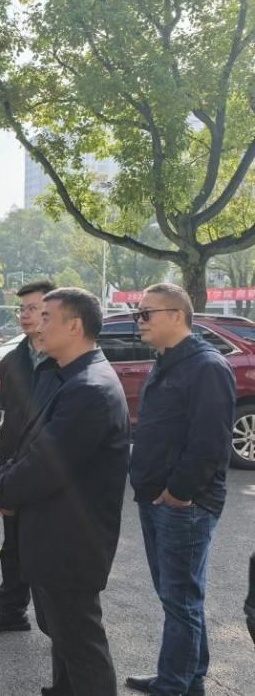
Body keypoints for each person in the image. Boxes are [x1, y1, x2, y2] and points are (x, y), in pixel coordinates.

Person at [0, 288, 129, 696]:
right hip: (56, 537)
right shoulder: (64, 374)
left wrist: (4, 491)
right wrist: (5, 479)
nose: (38, 324)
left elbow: (48, 464)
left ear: (75, 326)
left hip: (71, 543)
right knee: (64, 637)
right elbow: (30, 443)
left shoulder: (90, 387)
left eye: (47, 317)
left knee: (82, 646)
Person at [125, 283, 236, 696]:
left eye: (146, 314)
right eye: (138, 313)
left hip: (183, 503)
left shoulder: (206, 366)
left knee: (180, 599)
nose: (139, 321)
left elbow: (210, 441)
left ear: (176, 315)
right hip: (157, 497)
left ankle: (174, 684)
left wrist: (180, 492)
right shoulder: (169, 361)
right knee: (178, 597)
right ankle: (189, 677)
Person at [0, 280, 57, 635]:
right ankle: (11, 609)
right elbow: (12, 415)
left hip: (53, 471)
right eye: (21, 309)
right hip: (17, 465)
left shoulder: (65, 360)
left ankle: (58, 623)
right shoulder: (12, 362)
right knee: (13, 545)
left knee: (50, 550)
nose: (24, 315)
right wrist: (4, 472)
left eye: (33, 309)